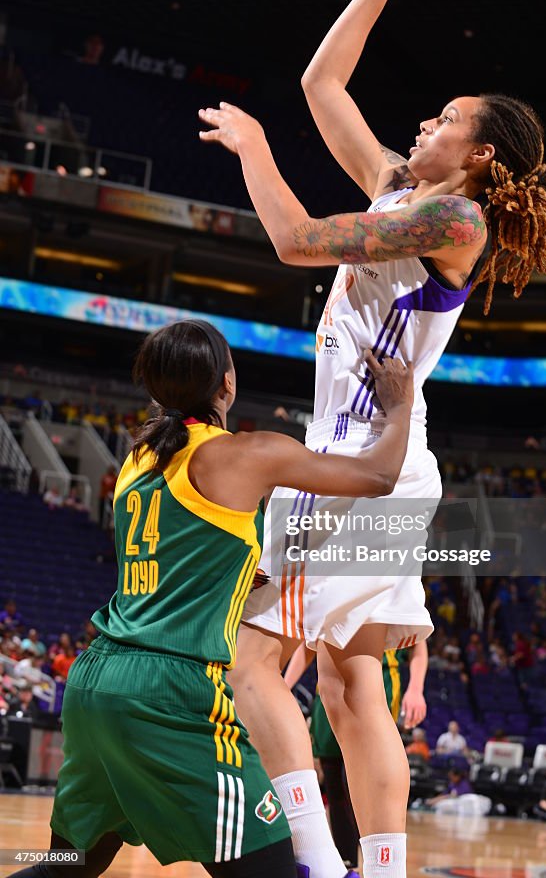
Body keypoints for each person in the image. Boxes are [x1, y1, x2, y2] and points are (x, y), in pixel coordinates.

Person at [198, 0, 546, 878]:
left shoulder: (456, 217)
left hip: (352, 465)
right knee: (354, 687)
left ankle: (313, 855)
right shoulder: (403, 188)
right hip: (395, 462)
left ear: (478, 157)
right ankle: (381, 868)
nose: (424, 125)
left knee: (253, 659)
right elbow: (322, 83)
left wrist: (255, 150)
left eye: (444, 118)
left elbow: (298, 242)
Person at [6, 319, 414, 878]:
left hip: (96, 682)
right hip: (172, 693)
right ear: (227, 382)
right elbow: (377, 477)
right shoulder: (245, 454)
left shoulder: (138, 457)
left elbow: (174, 551)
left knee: (65, 865)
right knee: (272, 869)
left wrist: (241, 574)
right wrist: (400, 408)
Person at [284, 640, 428, 870]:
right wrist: (283, 686)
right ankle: (347, 863)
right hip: (328, 687)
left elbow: (418, 643)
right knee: (333, 782)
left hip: (377, 683)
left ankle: (382, 864)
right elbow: (307, 647)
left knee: (357, 778)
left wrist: (416, 688)